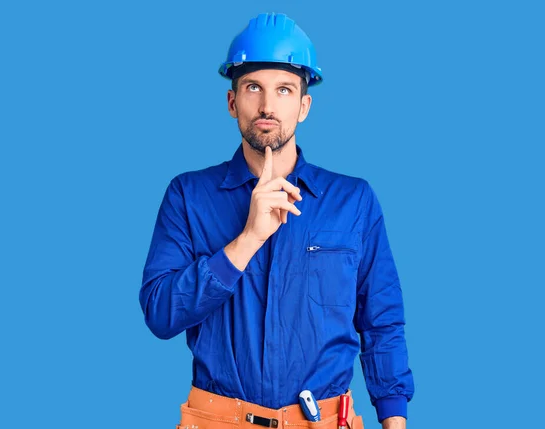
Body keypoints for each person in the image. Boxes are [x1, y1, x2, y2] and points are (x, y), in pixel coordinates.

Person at [139, 12, 414, 429]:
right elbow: (160, 314)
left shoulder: (352, 201)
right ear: (232, 102)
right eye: (254, 88)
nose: (267, 106)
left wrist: (395, 421)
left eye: (284, 90)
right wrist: (247, 239)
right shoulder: (188, 196)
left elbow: (382, 320)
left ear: (304, 106)